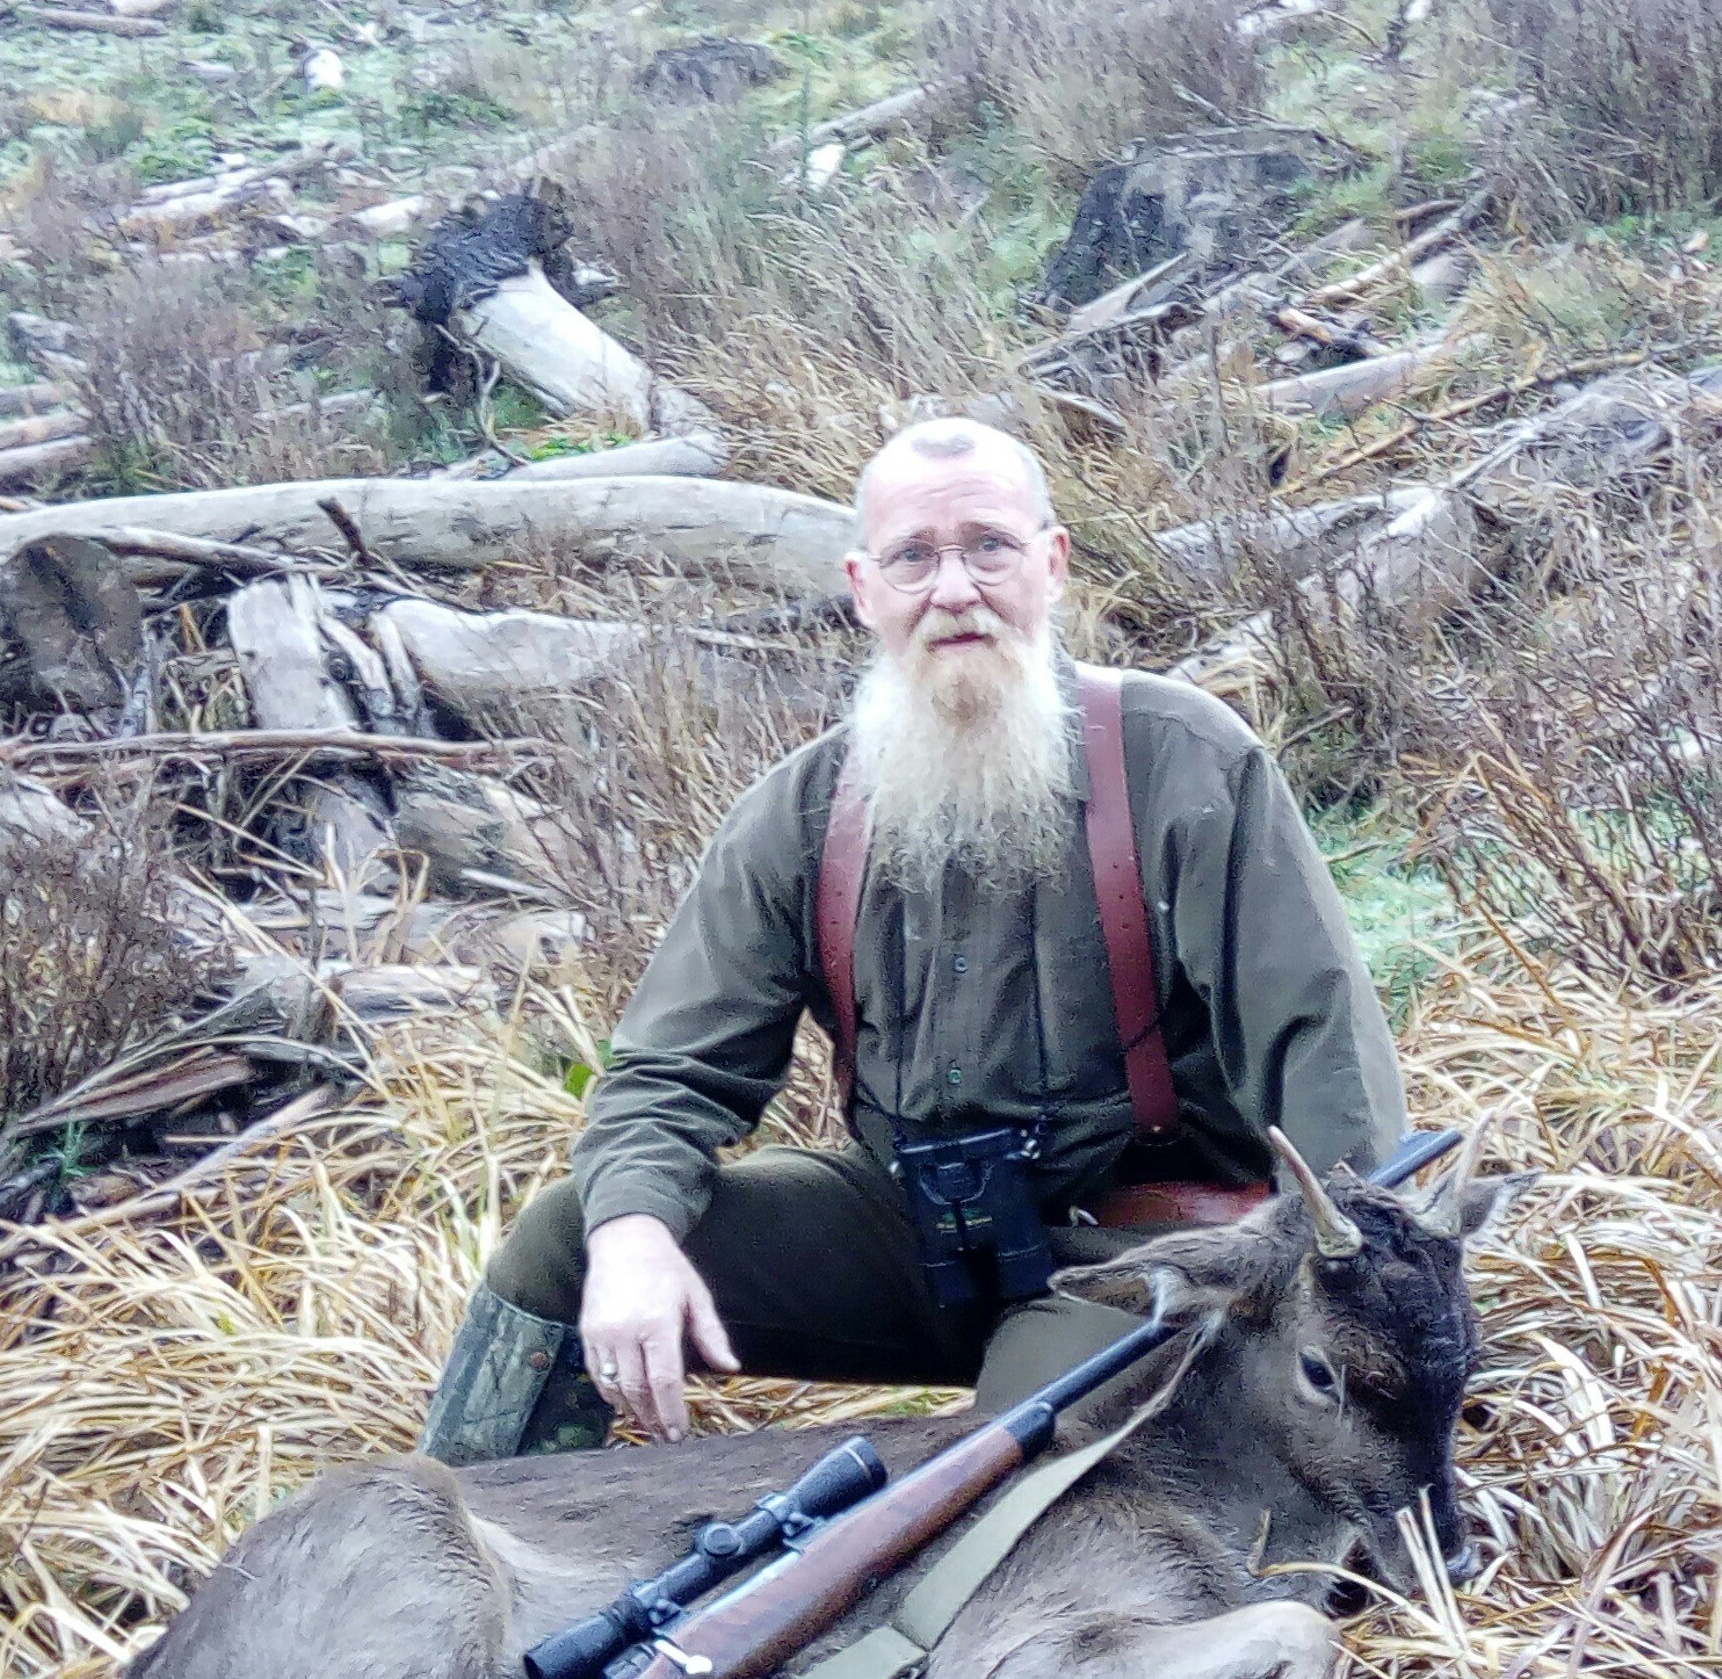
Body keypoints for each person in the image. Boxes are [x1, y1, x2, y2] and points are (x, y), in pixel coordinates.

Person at [415, 414, 1411, 1463]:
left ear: (1052, 564)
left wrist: (1358, 1313)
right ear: (863, 587)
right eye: (914, 558)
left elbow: (1325, 1055)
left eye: (989, 547)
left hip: (1149, 1254)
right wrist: (628, 1236)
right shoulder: (800, 811)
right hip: (920, 1241)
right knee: (569, 1239)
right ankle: (445, 1556)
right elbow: (669, 1071)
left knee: (1000, 1475)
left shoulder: (1181, 761)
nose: (953, 589)